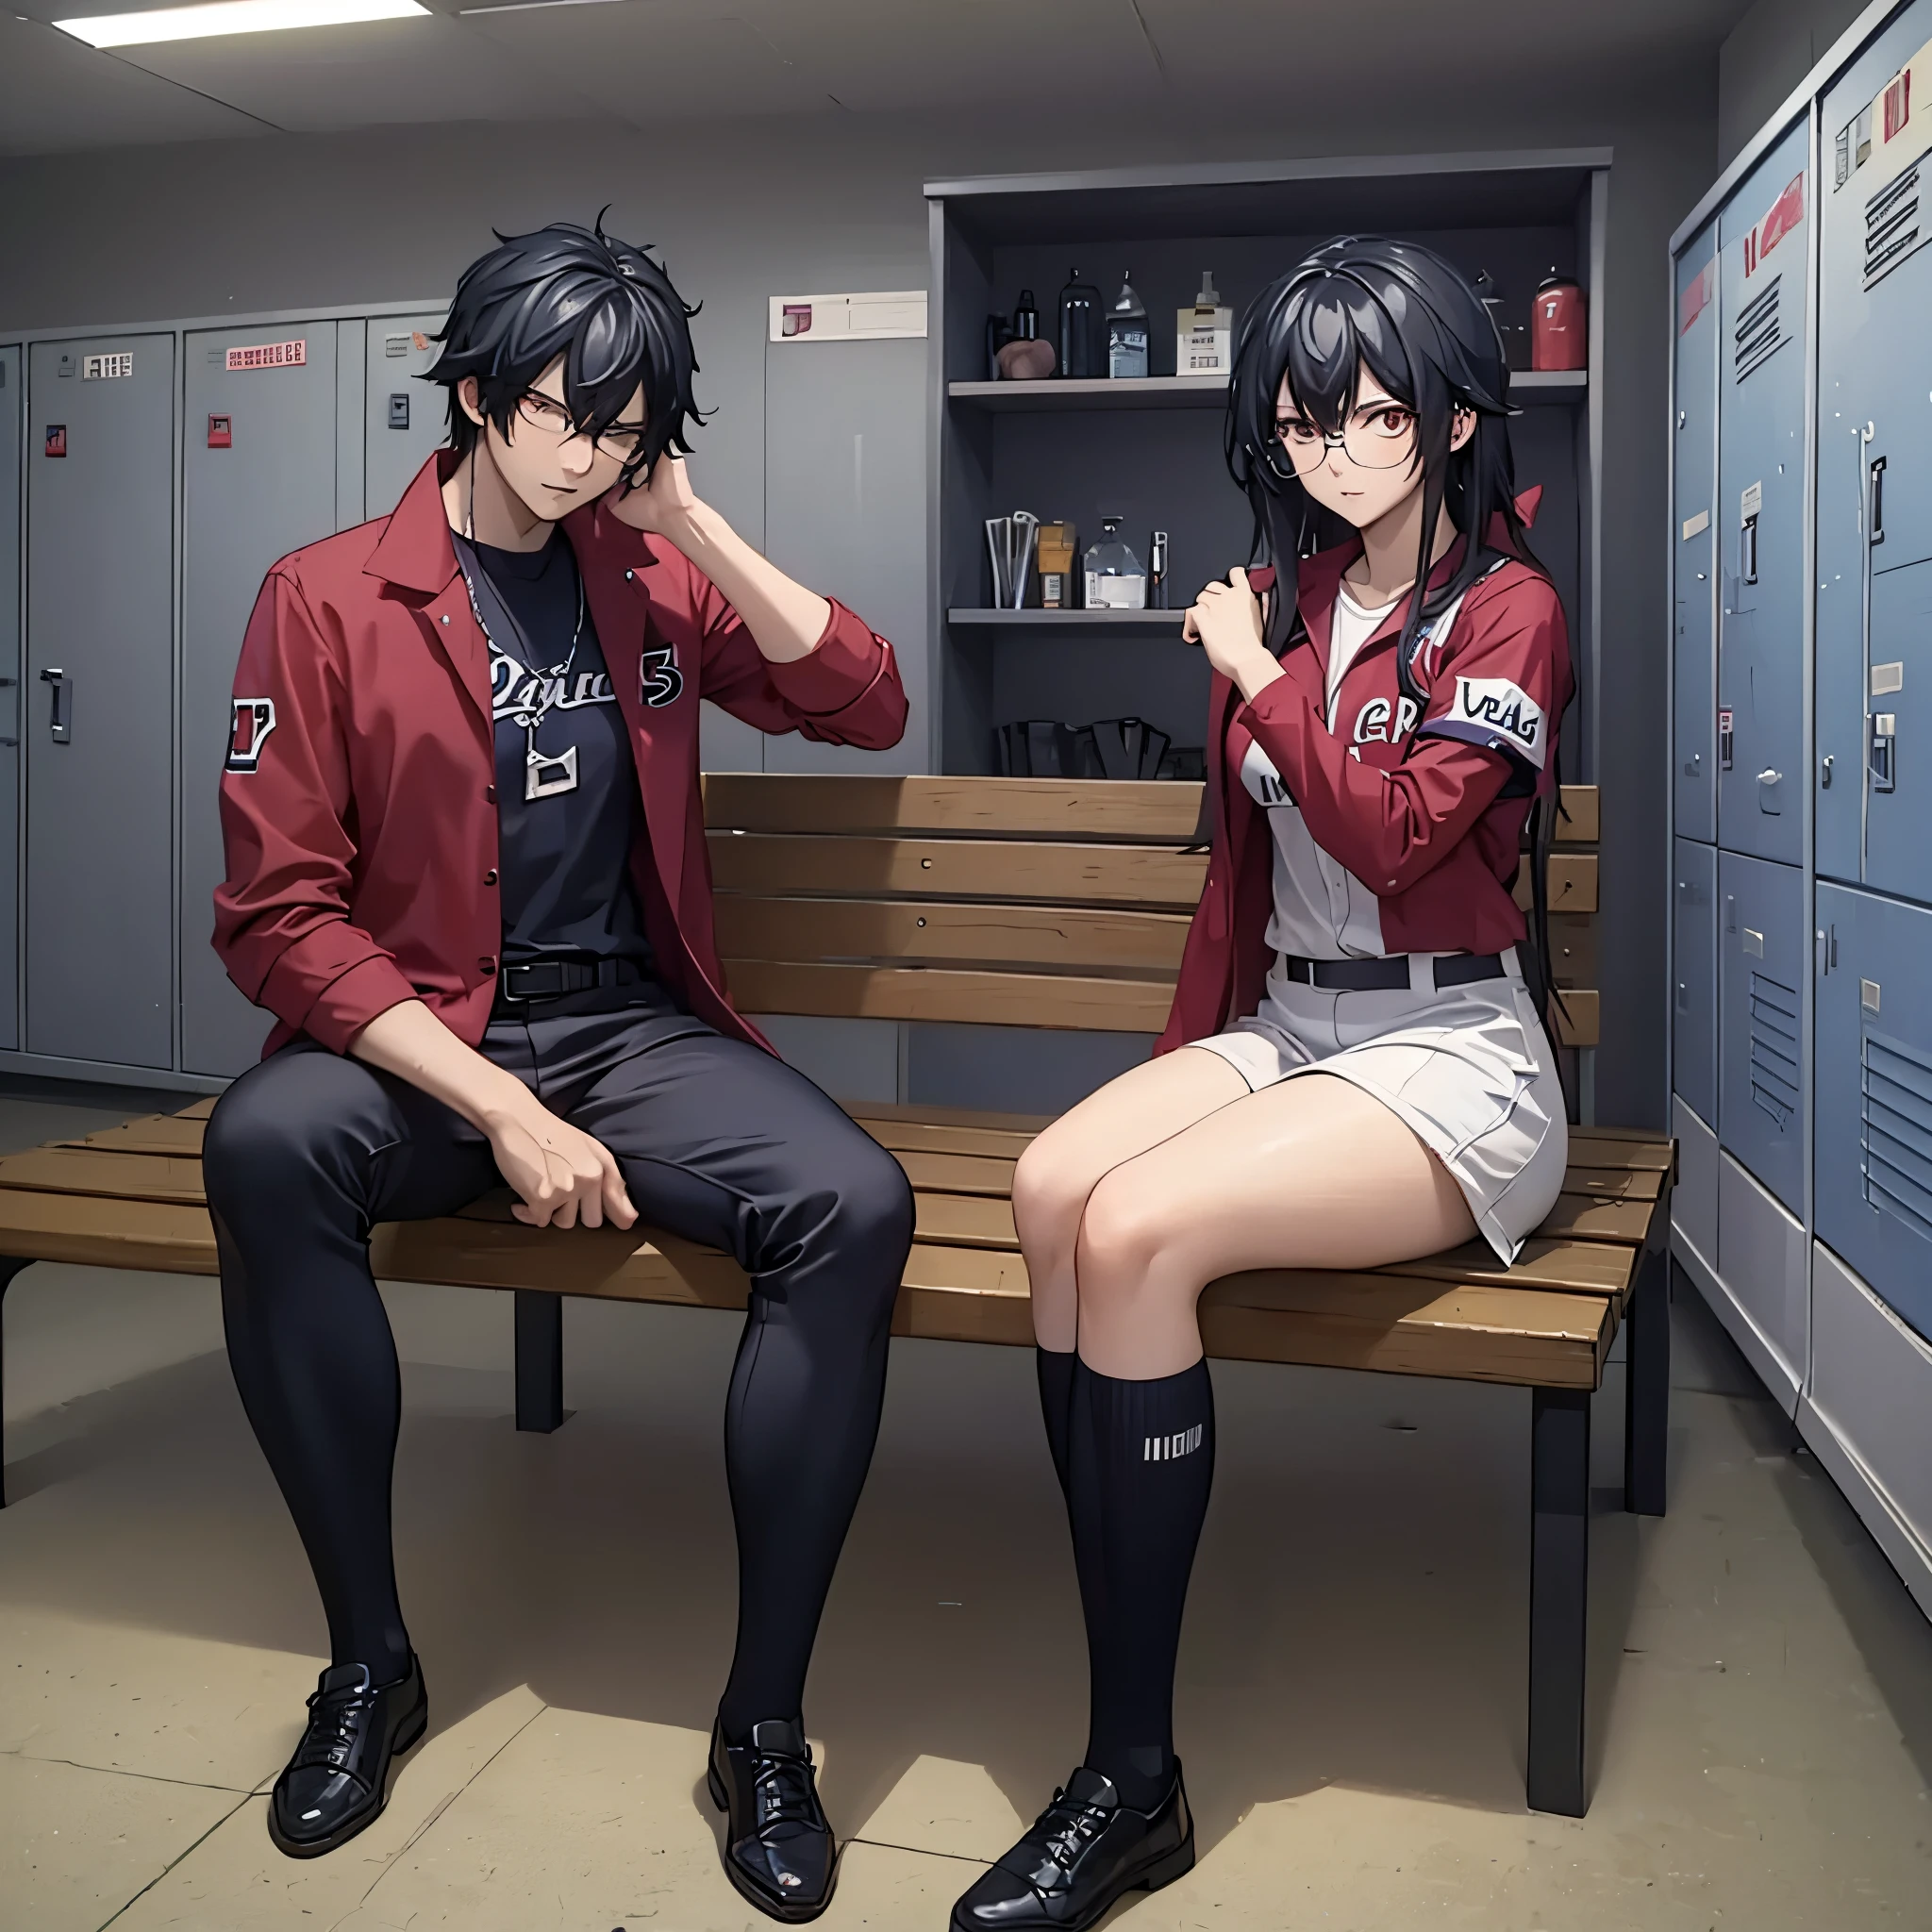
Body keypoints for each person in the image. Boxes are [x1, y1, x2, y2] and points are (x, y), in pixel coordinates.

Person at [205, 217, 914, 1924]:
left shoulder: (647, 569)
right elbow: (275, 916)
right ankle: (370, 1666)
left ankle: (761, 1728)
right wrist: (504, 1110)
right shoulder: (324, 595)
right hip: (427, 1044)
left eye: (628, 424)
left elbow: (866, 700)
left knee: (855, 1203)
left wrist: (695, 524)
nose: (595, 451)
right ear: (471, 397)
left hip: (628, 1026)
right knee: (262, 1146)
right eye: (565, 414)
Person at [951, 236, 1575, 1932]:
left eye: (1381, 412)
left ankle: (1131, 1781)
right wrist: (1190, 1082)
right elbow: (1248, 879)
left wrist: (1256, 678)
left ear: (1454, 420)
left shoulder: (1507, 609)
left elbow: (1387, 837)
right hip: (1292, 1025)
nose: (1340, 446)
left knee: (1142, 1240)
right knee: (1052, 1192)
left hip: (1451, 1056)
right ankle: (1119, 1614)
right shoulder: (1289, 596)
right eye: (1308, 417)